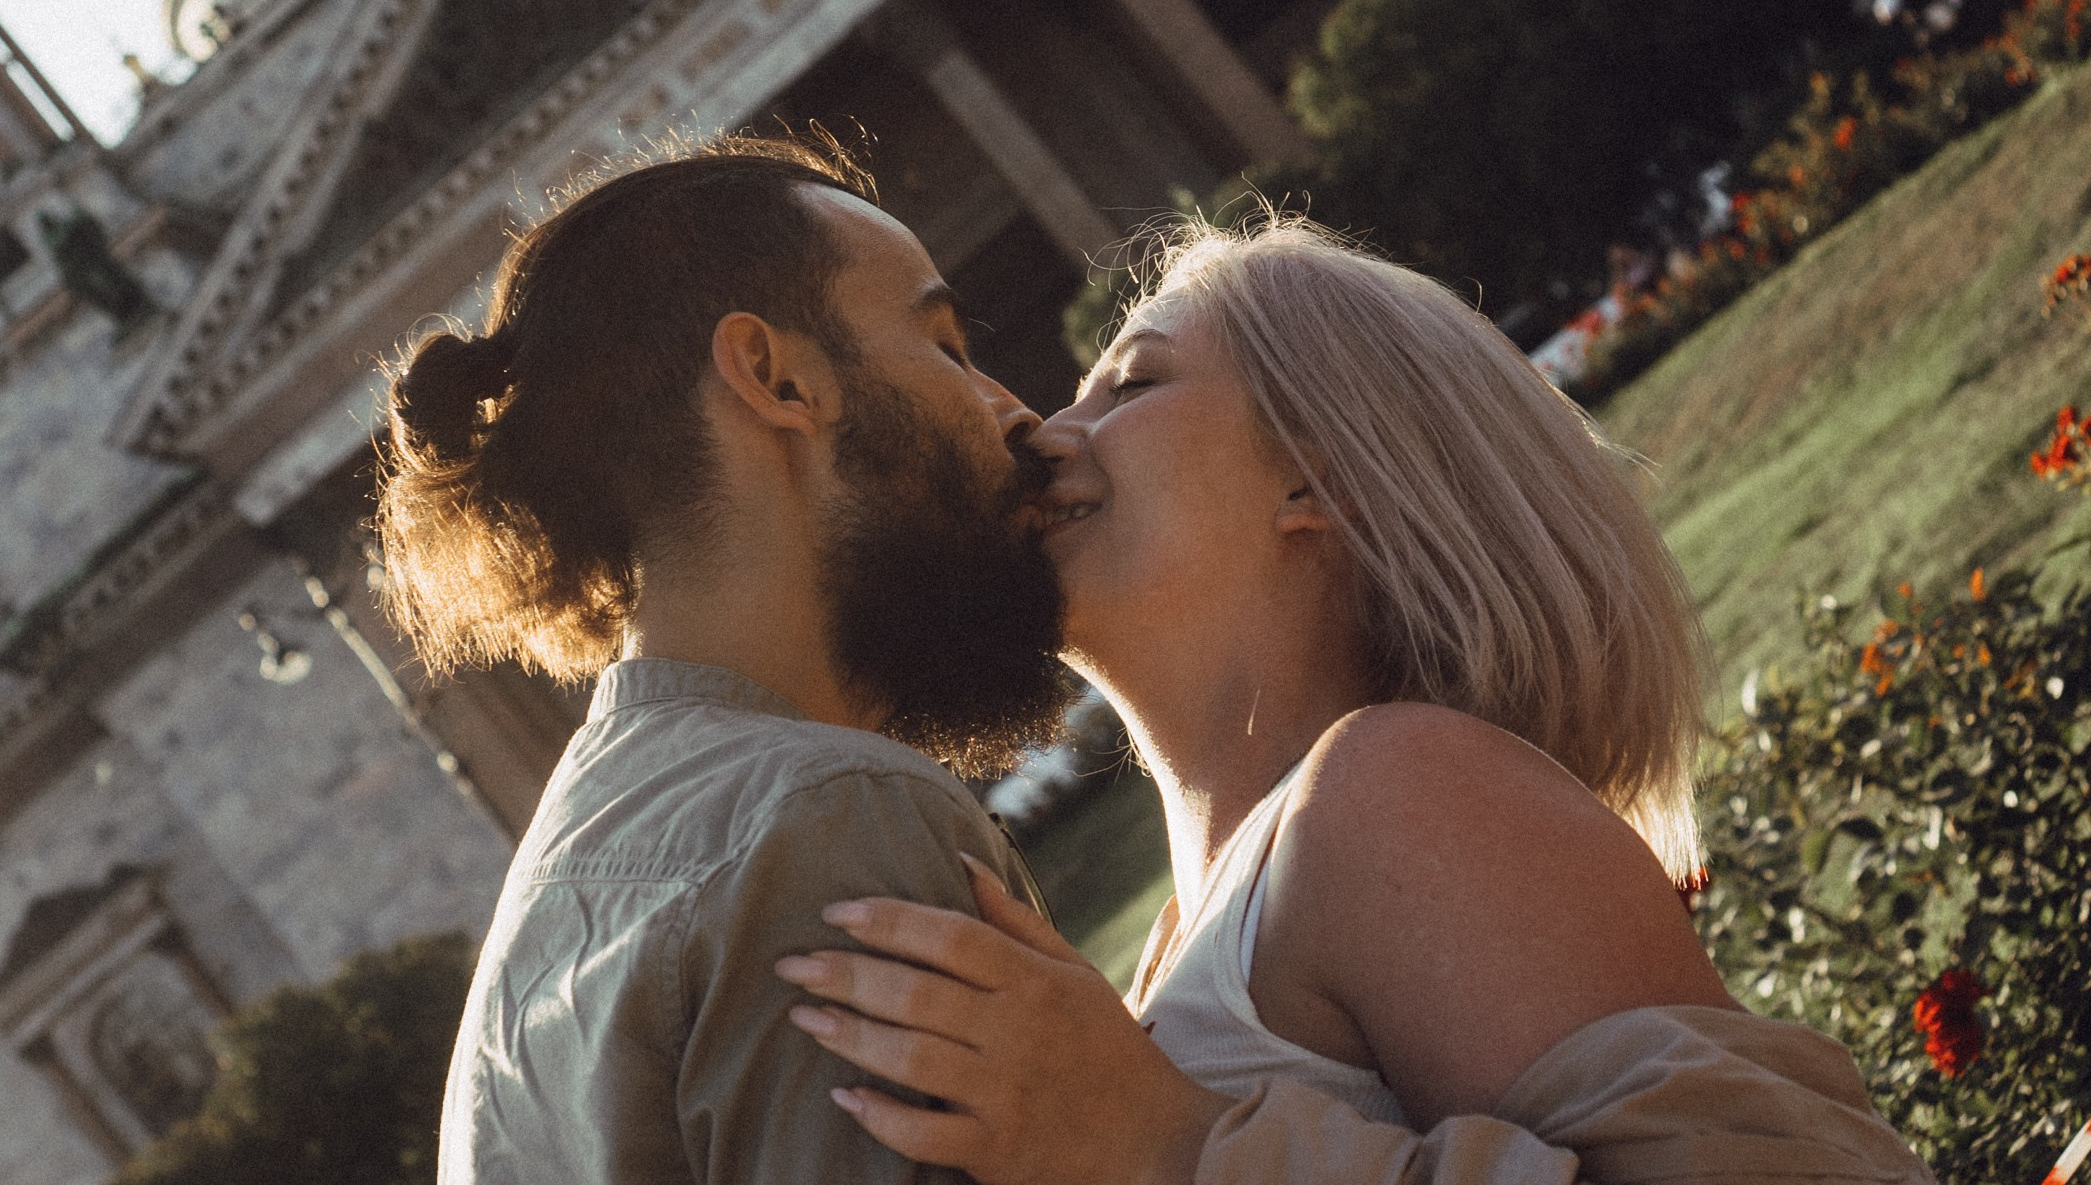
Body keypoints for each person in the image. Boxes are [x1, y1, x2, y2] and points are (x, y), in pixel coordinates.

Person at [776, 213, 1931, 1184]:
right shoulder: (1190, 935)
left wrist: (1169, 1146)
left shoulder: (1397, 792)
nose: (1036, 429)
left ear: (1319, 474)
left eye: (1131, 382)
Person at [375, 134, 1082, 1184]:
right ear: (776, 377)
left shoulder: (562, 889)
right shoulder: (824, 816)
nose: (1016, 411)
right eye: (945, 346)